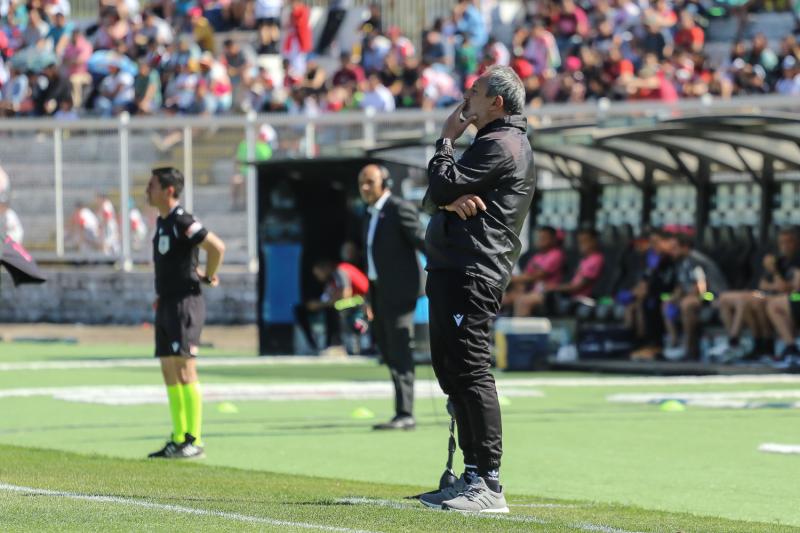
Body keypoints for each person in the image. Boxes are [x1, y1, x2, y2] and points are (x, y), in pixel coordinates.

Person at [419, 65, 534, 512]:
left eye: (476, 90)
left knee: (470, 369)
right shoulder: (489, 142)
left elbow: (439, 182)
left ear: (496, 104)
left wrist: (446, 140)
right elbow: (435, 194)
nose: (467, 95)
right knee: (451, 368)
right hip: (454, 267)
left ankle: (489, 482)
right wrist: (447, 196)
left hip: (473, 269)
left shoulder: (502, 143)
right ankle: (470, 474)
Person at [145, 167, 226, 459]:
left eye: (152, 185)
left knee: (184, 368)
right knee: (168, 367)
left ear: (169, 190)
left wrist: (208, 275)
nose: (147, 190)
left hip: (185, 304)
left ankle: (194, 439)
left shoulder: (182, 221)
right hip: (166, 303)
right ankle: (178, 438)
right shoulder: (162, 223)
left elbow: (216, 247)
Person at [359, 164, 426, 430]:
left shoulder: (398, 208)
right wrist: (368, 297)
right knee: (387, 349)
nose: (365, 187)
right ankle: (401, 410)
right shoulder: (369, 215)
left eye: (370, 182)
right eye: (362, 182)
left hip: (402, 291)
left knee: (399, 347)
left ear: (384, 182)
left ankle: (405, 413)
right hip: (379, 293)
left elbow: (423, 241)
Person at [711, 227, 800, 361]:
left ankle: (735, 341)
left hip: (791, 297)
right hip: (766, 294)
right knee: (726, 298)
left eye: (788, 242)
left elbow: (790, 289)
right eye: (782, 242)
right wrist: (774, 278)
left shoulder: (796, 260)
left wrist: (774, 271)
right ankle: (745, 343)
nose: (785, 246)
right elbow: (762, 284)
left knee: (748, 300)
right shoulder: (779, 259)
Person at [662, 233, 727, 361]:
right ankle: (674, 341)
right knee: (666, 303)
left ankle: (690, 348)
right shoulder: (680, 262)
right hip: (696, 295)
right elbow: (682, 285)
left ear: (685, 247)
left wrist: (684, 298)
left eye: (674, 248)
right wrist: (674, 298)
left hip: (712, 295)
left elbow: (701, 286)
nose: (671, 251)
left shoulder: (696, 260)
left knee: (687, 304)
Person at [294, 257, 369, 355]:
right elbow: (328, 296)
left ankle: (335, 344)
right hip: (354, 300)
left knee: (335, 307)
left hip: (363, 299)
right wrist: (318, 304)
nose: (318, 277)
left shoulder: (340, 270)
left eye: (318, 273)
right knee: (300, 309)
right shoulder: (331, 280)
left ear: (325, 269)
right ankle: (313, 345)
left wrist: (321, 304)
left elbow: (346, 294)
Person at [502, 226, 565, 316]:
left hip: (546, 294)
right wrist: (516, 287)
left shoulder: (557, 254)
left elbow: (537, 276)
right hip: (531, 291)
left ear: (553, 239)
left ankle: (520, 329)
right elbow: (526, 274)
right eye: (540, 237)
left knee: (522, 301)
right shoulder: (537, 256)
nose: (541, 240)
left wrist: (512, 279)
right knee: (503, 298)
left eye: (544, 238)